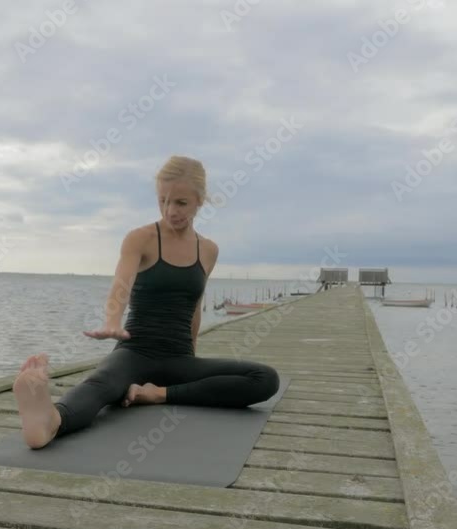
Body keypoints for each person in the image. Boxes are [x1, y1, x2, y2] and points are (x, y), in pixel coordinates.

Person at [15, 155, 280, 449]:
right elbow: (121, 284)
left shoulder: (208, 250)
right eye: (163, 200)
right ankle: (51, 421)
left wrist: (190, 359)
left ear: (199, 201)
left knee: (265, 379)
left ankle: (156, 394)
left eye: (180, 202)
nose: (170, 210)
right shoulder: (140, 238)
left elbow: (194, 308)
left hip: (179, 357)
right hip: (135, 350)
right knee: (102, 384)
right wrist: (113, 321)